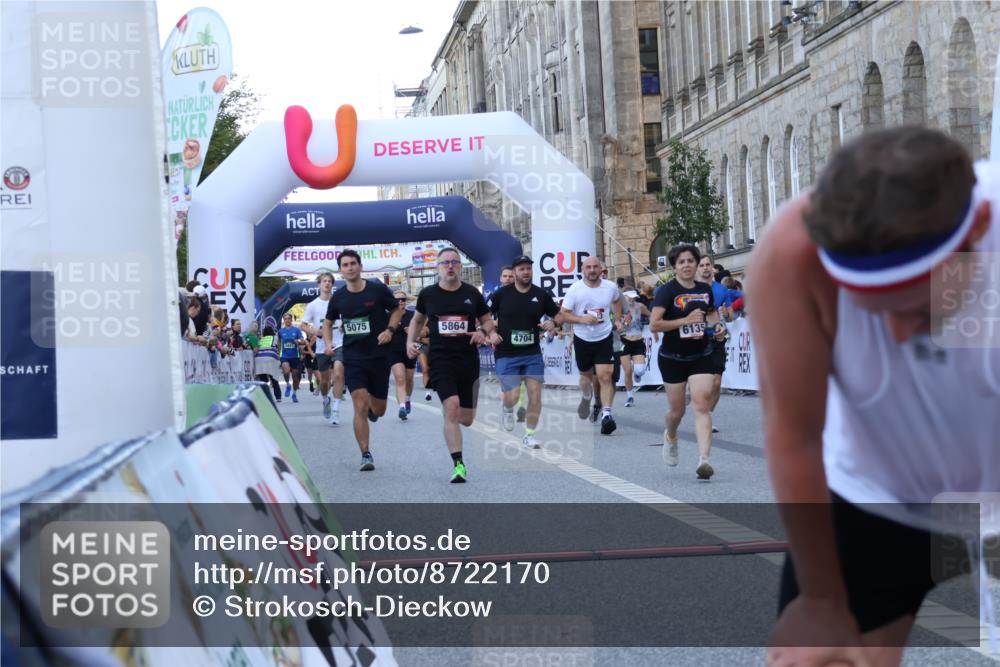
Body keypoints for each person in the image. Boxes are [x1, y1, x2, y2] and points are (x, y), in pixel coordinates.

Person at [749, 127, 999, 667]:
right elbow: (794, 433)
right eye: (874, 312)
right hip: (878, 493)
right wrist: (820, 598)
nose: (901, 334)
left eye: (914, 309)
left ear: (978, 229)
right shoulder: (792, 254)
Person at [407, 247, 500, 483]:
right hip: (440, 359)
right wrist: (410, 342)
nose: (450, 266)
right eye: (445, 262)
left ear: (460, 267)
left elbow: (487, 320)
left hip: (468, 360)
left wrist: (482, 332)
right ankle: (458, 464)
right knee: (451, 407)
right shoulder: (428, 294)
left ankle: (454, 424)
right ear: (438, 267)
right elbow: (418, 320)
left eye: (454, 262)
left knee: (466, 419)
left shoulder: (472, 294)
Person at [322, 251, 403, 472]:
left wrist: (390, 329)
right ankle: (365, 454)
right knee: (359, 403)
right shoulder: (338, 298)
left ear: (360, 266)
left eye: (353, 264)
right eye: (345, 265)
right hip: (353, 356)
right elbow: (328, 324)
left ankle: (372, 412)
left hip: (378, 355)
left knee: (379, 409)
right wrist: (328, 343)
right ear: (341, 269)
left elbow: (396, 309)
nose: (349, 268)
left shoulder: (376, 289)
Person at [650, 243, 725, 480]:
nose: (686, 265)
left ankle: (704, 460)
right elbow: (654, 324)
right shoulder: (666, 291)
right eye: (681, 262)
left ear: (696, 264)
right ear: (674, 266)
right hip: (672, 357)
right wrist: (684, 321)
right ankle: (670, 436)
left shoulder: (705, 289)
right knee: (677, 411)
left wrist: (717, 326)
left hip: (700, 354)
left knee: (701, 404)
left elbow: (711, 313)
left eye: (690, 261)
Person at [487, 255, 562, 448]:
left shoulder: (541, 294)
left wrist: (553, 322)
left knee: (535, 395)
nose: (525, 272)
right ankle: (507, 407)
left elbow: (559, 314)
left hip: (532, 353)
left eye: (528, 268)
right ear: (514, 272)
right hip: (506, 353)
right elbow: (483, 315)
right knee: (511, 397)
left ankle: (529, 435)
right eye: (521, 269)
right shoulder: (501, 295)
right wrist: (491, 332)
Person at [560, 256, 624, 435]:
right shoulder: (575, 289)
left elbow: (618, 300)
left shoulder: (610, 287)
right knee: (586, 377)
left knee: (605, 376)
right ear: (583, 270)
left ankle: (607, 415)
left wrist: (617, 319)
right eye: (588, 267)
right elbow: (564, 314)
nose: (592, 270)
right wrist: (581, 319)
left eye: (595, 267)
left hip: (604, 337)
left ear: (600, 270)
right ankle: (587, 396)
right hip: (583, 338)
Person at [301, 273, 339, 420]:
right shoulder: (313, 305)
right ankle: (326, 399)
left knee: (339, 374)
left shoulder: (338, 302)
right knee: (324, 381)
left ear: (332, 285)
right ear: (319, 285)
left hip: (339, 344)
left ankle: (336, 408)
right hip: (322, 347)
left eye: (330, 281)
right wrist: (315, 331)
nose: (327, 284)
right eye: (324, 281)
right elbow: (303, 325)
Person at [697, 256, 729, 433]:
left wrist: (726, 312)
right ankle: (702, 415)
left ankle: (706, 415)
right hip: (697, 340)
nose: (705, 268)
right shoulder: (691, 289)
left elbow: (730, 315)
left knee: (716, 382)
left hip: (717, 338)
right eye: (701, 265)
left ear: (713, 268)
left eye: (708, 264)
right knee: (702, 382)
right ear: (697, 269)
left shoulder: (722, 289)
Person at [619, 290, 650, 407]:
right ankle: (630, 397)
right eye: (629, 297)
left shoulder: (640, 306)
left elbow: (651, 314)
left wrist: (653, 326)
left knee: (639, 371)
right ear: (624, 297)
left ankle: (638, 374)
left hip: (637, 341)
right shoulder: (618, 308)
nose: (632, 300)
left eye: (634, 297)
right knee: (627, 371)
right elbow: (613, 323)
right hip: (624, 342)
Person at [389, 291, 417, 421]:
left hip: (409, 351)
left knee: (409, 380)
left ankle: (407, 400)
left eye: (403, 299)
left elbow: (423, 332)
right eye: (398, 300)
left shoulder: (412, 316)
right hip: (394, 351)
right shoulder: (388, 316)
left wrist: (414, 333)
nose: (400, 301)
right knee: (400, 379)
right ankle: (401, 407)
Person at [277, 313, 305, 402]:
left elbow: (303, 341)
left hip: (295, 356)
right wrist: (278, 353)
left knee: (295, 377)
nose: (287, 320)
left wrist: (298, 341)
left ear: (291, 320)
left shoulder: (296, 330)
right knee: (286, 371)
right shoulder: (281, 331)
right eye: (285, 319)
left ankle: (294, 393)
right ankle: (288, 384)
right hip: (284, 355)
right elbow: (279, 342)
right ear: (283, 320)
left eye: (289, 318)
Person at [253, 325, 283, 403]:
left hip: (259, 359)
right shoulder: (275, 338)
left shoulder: (261, 339)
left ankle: (265, 397)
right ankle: (278, 397)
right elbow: (279, 348)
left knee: (263, 380)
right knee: (274, 379)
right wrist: (280, 358)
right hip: (271, 357)